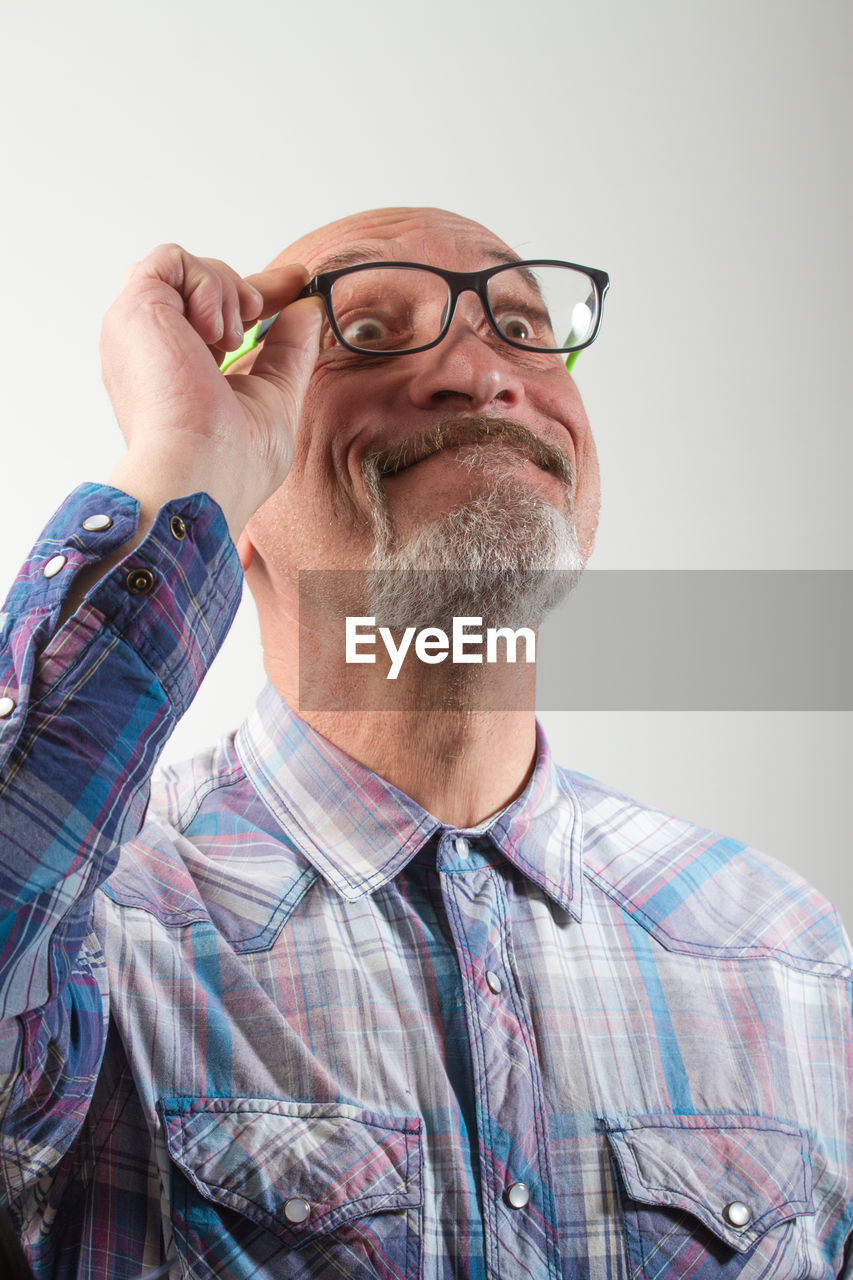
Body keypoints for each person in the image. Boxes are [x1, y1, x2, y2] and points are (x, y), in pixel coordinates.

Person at [0, 207, 850, 1280]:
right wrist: (182, 460)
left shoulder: (791, 954)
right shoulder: (99, 932)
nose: (480, 372)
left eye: (522, 324)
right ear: (240, 506)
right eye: (367, 328)